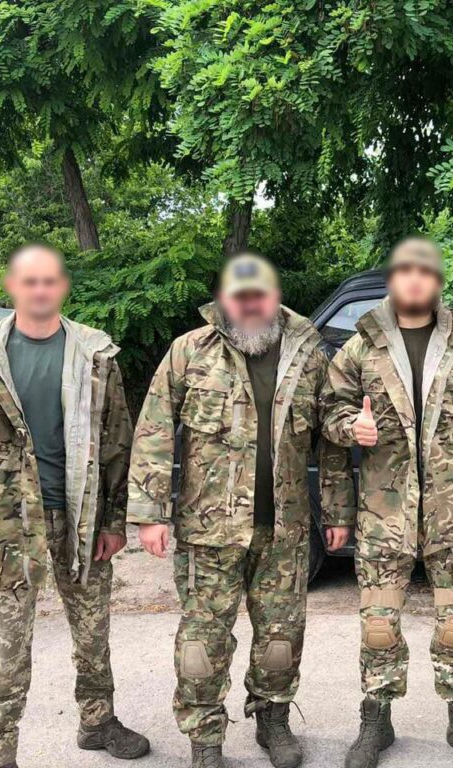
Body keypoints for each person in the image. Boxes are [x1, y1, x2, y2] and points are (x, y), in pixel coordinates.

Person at [127, 253, 353, 768]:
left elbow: (330, 443)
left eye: (260, 293)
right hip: (209, 529)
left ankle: (272, 719)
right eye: (239, 294)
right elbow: (154, 432)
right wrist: (149, 512)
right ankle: (205, 740)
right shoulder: (189, 351)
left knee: (281, 636)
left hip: (285, 530)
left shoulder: (309, 356)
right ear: (223, 298)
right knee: (202, 645)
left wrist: (338, 512)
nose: (250, 303)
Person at [0, 244, 149, 768]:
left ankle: (97, 721)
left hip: (80, 518)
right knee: (7, 646)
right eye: (29, 281)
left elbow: (117, 442)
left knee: (93, 632)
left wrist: (113, 520)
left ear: (62, 287)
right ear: (12, 286)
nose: (40, 290)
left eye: (49, 280)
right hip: (5, 527)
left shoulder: (95, 355)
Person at [321, 237, 453, 768]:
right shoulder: (360, 347)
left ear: (437, 281)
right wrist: (350, 427)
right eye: (405, 270)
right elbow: (328, 415)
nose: (414, 280)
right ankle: (375, 721)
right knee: (378, 625)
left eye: (425, 271)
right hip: (384, 513)